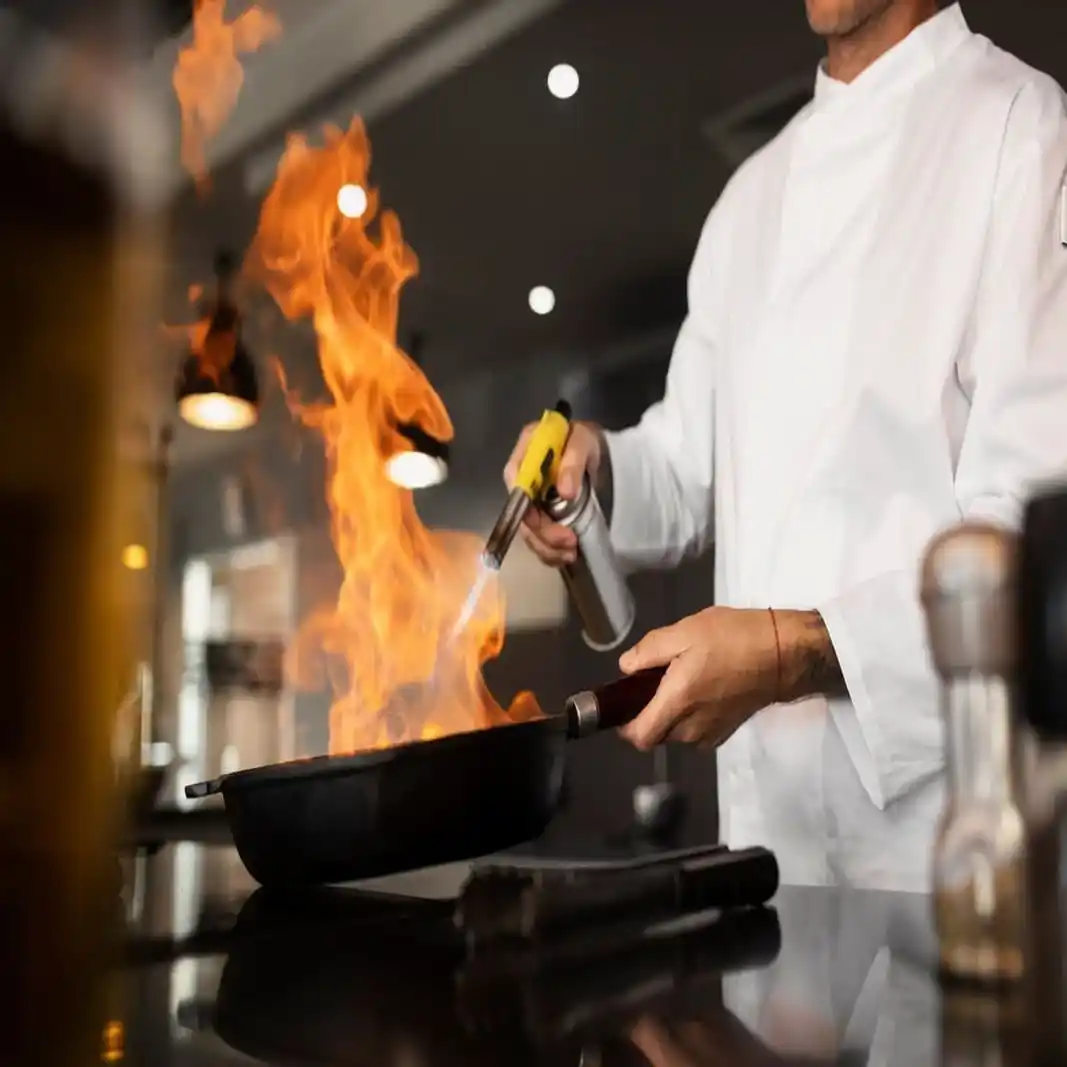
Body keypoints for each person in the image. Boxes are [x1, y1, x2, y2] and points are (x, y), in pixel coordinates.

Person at [505, 0, 1067, 890]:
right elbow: (686, 471)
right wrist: (595, 466)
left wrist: (792, 652)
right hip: (764, 838)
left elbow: (1029, 542)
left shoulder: (1017, 126)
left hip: (945, 849)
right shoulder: (749, 199)